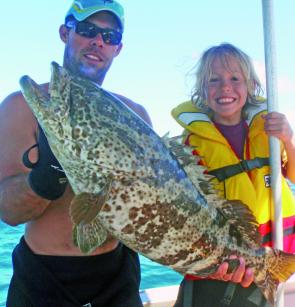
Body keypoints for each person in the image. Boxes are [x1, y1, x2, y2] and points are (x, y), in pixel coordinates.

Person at [0, 1, 153, 306]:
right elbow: (8, 211)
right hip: (43, 279)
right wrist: (43, 181)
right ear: (64, 33)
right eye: (87, 30)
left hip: (117, 276)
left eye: (109, 37)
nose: (98, 41)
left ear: (118, 49)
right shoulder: (22, 107)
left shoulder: (136, 115)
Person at [172, 42, 295, 307]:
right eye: (214, 80)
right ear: (202, 91)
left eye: (235, 79)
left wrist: (288, 140)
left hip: (269, 259)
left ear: (250, 86)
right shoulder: (189, 144)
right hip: (215, 266)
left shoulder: (270, 133)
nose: (225, 87)